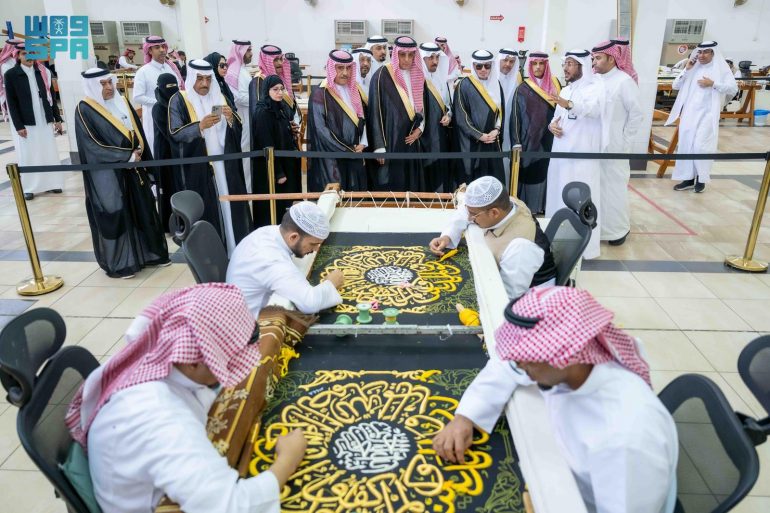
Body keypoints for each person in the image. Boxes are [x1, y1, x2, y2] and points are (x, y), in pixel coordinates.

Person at [432, 286, 678, 513]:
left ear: (565, 355)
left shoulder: (625, 437)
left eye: (526, 357)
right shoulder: (570, 365)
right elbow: (507, 365)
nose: (518, 364)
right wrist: (465, 417)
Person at [65, 283, 308, 513]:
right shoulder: (159, 417)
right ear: (192, 361)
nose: (235, 367)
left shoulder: (158, 359)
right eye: (229, 358)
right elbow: (232, 505)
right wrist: (288, 458)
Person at [74, 68, 169, 278]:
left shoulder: (123, 101)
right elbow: (92, 146)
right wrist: (126, 156)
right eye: (102, 84)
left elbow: (137, 131)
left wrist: (142, 157)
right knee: (118, 215)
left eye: (110, 82)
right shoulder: (84, 109)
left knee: (142, 209)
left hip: (134, 169)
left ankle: (151, 255)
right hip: (109, 174)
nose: (108, 87)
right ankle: (122, 263)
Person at [168, 59, 251, 255]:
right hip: (200, 169)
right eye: (200, 79)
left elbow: (237, 127)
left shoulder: (219, 96)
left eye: (208, 79)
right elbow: (175, 133)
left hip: (225, 167)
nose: (204, 84)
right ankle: (213, 254)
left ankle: (235, 249)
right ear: (191, 78)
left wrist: (231, 119)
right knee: (210, 210)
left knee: (231, 208)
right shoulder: (179, 100)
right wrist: (199, 127)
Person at [429, 176, 556, 299]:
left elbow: (505, 296)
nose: (469, 218)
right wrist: (447, 237)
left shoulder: (520, 247)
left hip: (533, 299)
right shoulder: (508, 204)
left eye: (473, 215)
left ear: (494, 213)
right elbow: (466, 210)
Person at [227, 202, 345, 317]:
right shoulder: (271, 259)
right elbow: (310, 303)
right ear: (293, 237)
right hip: (249, 322)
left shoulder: (267, 232)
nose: (315, 249)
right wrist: (331, 283)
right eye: (313, 244)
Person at [547, 50, 604, 260]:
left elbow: (593, 111)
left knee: (581, 197)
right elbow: (557, 117)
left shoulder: (595, 88)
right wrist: (551, 126)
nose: (565, 68)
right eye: (565, 64)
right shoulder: (566, 89)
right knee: (558, 192)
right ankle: (556, 242)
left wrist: (569, 104)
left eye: (570, 64)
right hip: (561, 152)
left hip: (582, 155)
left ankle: (584, 248)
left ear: (582, 66)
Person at [666, 41, 737, 194]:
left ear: (713, 53)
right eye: (700, 52)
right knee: (686, 145)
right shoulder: (693, 67)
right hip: (689, 114)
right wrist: (687, 69)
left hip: (708, 115)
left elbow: (733, 88)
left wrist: (713, 84)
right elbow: (675, 86)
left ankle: (701, 179)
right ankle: (687, 178)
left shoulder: (721, 69)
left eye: (706, 52)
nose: (702, 55)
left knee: (701, 146)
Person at [591, 40, 642, 246]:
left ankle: (617, 231)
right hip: (593, 146)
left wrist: (624, 142)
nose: (594, 62)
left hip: (615, 147)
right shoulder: (594, 80)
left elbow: (637, 115)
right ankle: (597, 230)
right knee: (596, 188)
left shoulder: (624, 81)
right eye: (593, 58)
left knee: (614, 189)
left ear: (612, 58)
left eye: (598, 58)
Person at [3, 43, 66, 200]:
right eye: (24, 53)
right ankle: (30, 187)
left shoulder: (43, 72)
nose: (29, 56)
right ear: (18, 56)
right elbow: (11, 103)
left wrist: (57, 119)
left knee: (49, 152)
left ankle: (53, 183)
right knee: (29, 154)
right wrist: (18, 126)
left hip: (45, 120)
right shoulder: (11, 75)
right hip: (27, 122)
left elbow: (51, 98)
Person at [368, 35, 425, 192]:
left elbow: (423, 107)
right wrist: (379, 146)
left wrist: (420, 128)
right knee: (394, 183)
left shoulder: (419, 74)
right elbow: (374, 112)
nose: (407, 59)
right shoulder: (382, 75)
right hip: (391, 139)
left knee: (412, 183)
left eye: (411, 55)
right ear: (395, 54)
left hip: (413, 139)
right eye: (402, 54)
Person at [307, 50, 367, 192]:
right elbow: (321, 131)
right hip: (332, 158)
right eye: (340, 68)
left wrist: (363, 143)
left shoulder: (355, 89)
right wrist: (348, 148)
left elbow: (362, 118)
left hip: (356, 153)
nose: (345, 73)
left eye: (348, 68)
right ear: (331, 68)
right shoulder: (320, 93)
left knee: (355, 198)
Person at [511, 51, 561, 214]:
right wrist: (517, 141)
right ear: (530, 65)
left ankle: (547, 206)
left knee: (550, 171)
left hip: (552, 139)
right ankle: (530, 207)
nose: (538, 67)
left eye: (541, 63)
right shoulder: (523, 88)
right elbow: (516, 117)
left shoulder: (556, 84)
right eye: (534, 63)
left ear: (546, 65)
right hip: (529, 141)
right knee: (532, 172)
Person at [251, 75, 302, 228]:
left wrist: (289, 129)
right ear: (267, 91)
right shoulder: (262, 112)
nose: (280, 93)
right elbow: (266, 142)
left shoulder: (280, 107)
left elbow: (279, 131)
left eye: (281, 89)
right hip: (272, 169)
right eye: (275, 89)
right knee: (274, 208)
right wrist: (278, 173)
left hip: (286, 164)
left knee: (286, 205)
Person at [453, 50, 506, 185]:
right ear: (473, 66)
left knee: (493, 181)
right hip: (473, 144)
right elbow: (461, 116)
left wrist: (497, 130)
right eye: (479, 66)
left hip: (492, 141)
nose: (483, 70)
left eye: (487, 66)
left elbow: (500, 112)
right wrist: (479, 135)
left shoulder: (497, 84)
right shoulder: (464, 85)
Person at [132, 36, 184, 155]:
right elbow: (137, 97)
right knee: (158, 150)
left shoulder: (171, 68)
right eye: (157, 47)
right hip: (153, 118)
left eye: (163, 47)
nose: (162, 50)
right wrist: (160, 103)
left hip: (175, 117)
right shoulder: (143, 72)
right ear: (149, 50)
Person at [420, 42, 453, 193]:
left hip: (440, 135)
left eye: (437, 57)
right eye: (430, 58)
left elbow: (448, 105)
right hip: (423, 138)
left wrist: (449, 115)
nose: (435, 61)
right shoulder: (418, 80)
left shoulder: (442, 79)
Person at [151, 73, 182, 231]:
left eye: (174, 86)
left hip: (177, 152)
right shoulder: (158, 108)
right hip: (165, 153)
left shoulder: (178, 104)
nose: (172, 90)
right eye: (168, 87)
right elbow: (170, 133)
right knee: (166, 187)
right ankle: (167, 224)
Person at [225, 40, 254, 192]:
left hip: (248, 118)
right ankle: (246, 191)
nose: (251, 54)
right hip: (242, 119)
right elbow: (238, 98)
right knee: (244, 155)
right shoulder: (234, 72)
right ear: (240, 51)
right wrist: (258, 99)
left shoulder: (243, 70)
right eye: (248, 50)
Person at [249, 45, 300, 127]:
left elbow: (290, 104)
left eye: (280, 59)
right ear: (266, 61)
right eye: (276, 60)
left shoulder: (281, 79)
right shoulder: (259, 81)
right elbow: (260, 114)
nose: (280, 63)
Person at [498, 48, 521, 182]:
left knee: (506, 165)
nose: (508, 64)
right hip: (490, 133)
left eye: (512, 61)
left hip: (509, 132)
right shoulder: (490, 78)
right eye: (505, 60)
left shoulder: (517, 81)